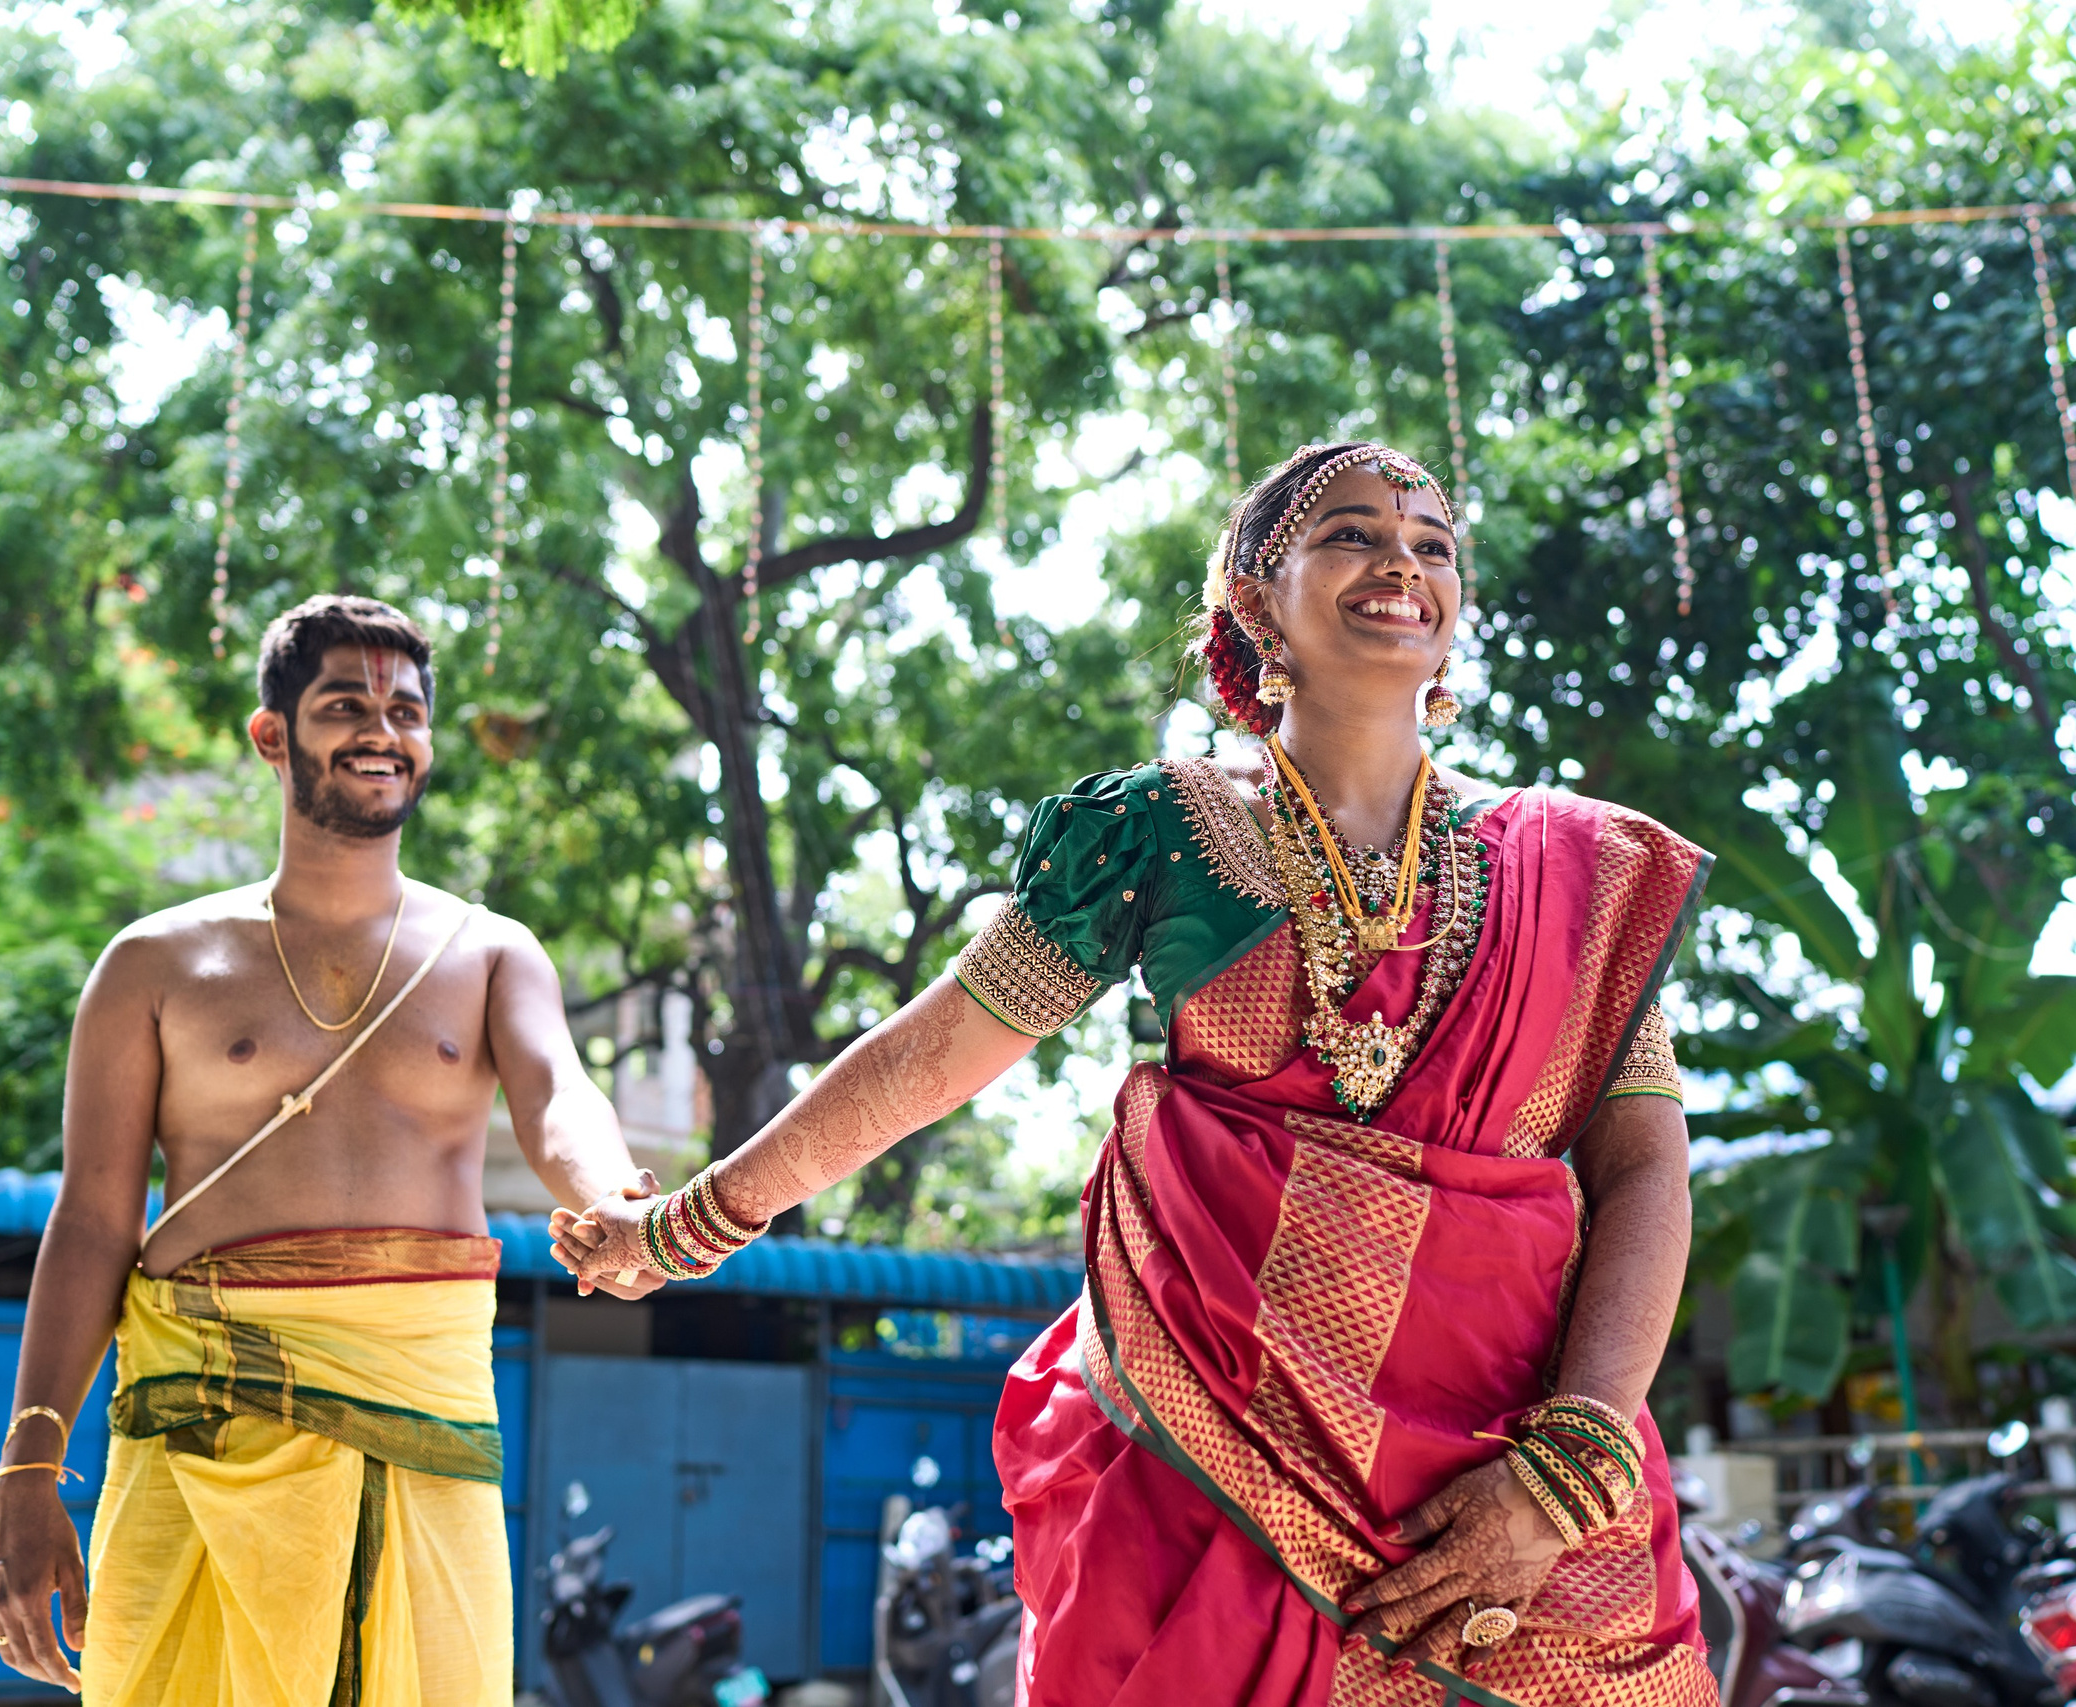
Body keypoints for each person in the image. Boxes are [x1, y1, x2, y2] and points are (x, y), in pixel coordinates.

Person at [554, 442, 1716, 1707]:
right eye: (1351, 534)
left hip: (1522, 1475)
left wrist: (1569, 1463)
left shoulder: (1581, 877)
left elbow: (1645, 1165)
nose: (1401, 563)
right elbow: (927, 1060)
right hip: (1210, 1451)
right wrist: (691, 1222)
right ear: (1255, 600)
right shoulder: (1159, 834)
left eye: (1431, 544)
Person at [0, 594, 652, 1706]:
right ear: (271, 735)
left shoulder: (489, 953)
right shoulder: (152, 965)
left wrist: (614, 1199)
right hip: (198, 1420)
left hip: (420, 1410)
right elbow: (94, 1221)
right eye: (345, 703)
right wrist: (26, 1473)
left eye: (405, 710)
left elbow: (557, 1098)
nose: (380, 730)